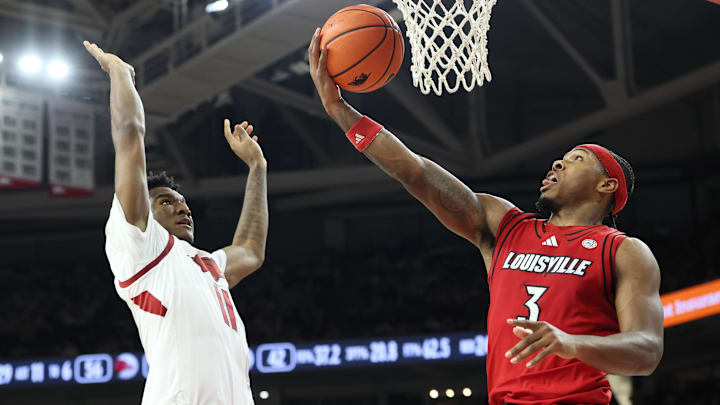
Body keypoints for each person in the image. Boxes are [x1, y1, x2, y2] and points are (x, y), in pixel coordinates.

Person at [307, 28, 663, 405]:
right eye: (561, 157)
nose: (558, 161)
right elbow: (414, 171)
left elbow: (646, 350)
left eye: (577, 159)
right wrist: (339, 111)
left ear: (607, 187)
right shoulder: (504, 225)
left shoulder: (624, 252)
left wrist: (572, 343)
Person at [85, 41, 268, 405]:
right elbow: (129, 137)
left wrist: (257, 168)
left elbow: (249, 249)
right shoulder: (141, 246)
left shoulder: (207, 265)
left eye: (184, 203)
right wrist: (120, 75)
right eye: (166, 202)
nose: (182, 209)